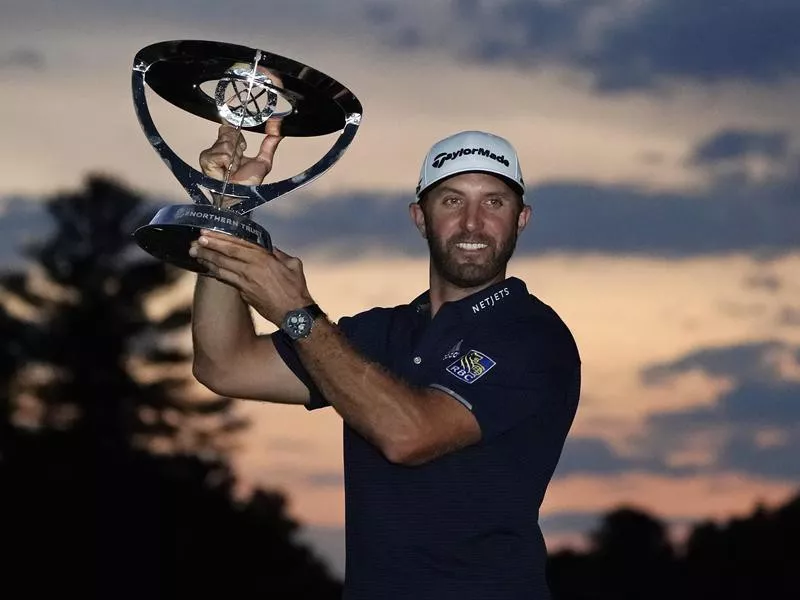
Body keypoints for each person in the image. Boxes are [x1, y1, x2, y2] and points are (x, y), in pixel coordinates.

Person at [189, 125, 581, 600]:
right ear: (420, 217)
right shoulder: (373, 334)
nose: (474, 223)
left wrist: (296, 313)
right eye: (452, 200)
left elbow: (408, 436)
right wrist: (228, 212)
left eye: (494, 202)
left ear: (521, 220)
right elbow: (225, 364)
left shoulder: (531, 334)